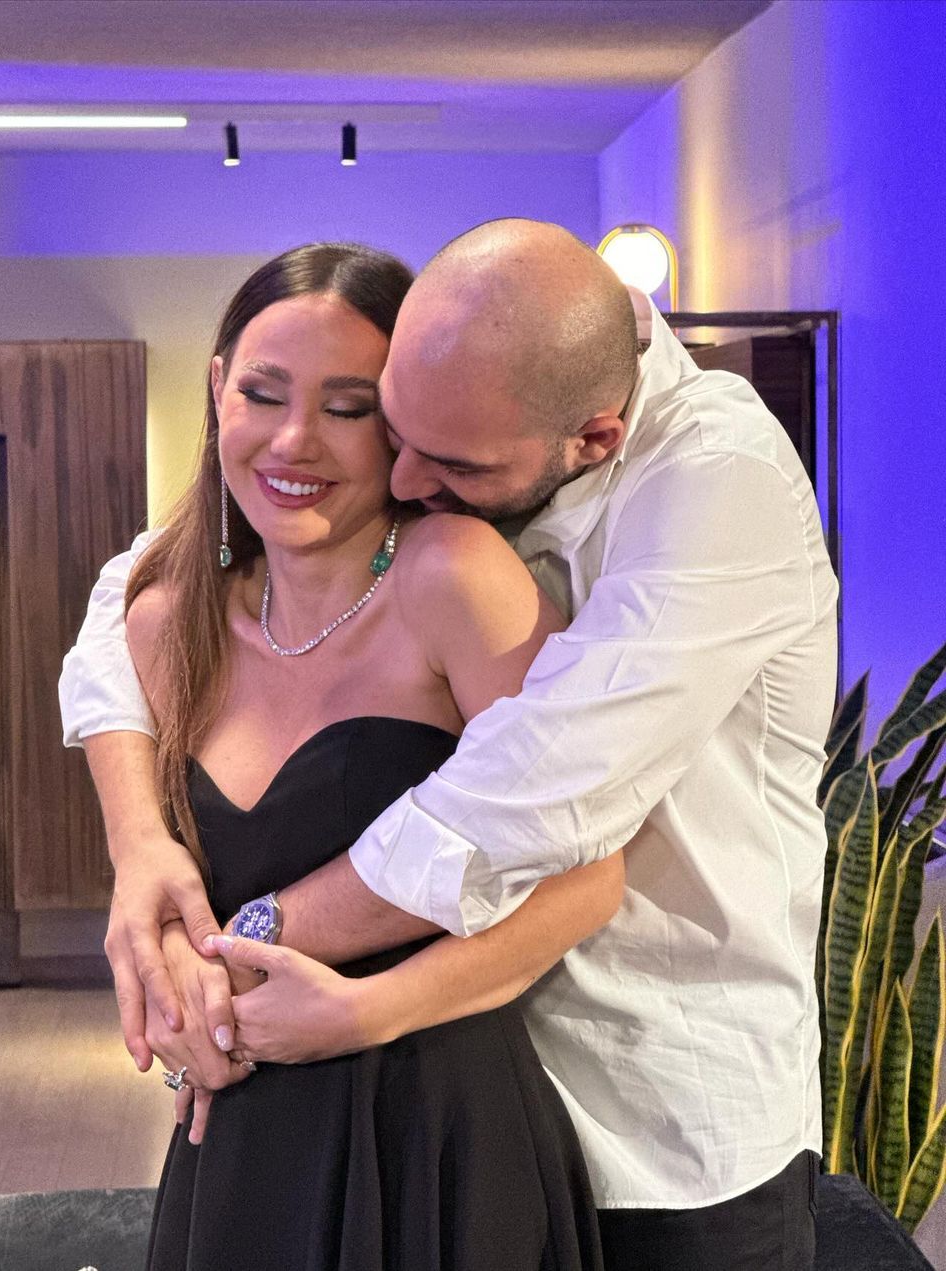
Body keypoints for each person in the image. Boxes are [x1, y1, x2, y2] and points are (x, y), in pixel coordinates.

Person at [60, 219, 838, 1270]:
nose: (410, 476)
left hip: (661, 1101)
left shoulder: (713, 488)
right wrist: (139, 850)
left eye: (357, 413)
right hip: (363, 1085)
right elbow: (130, 596)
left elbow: (530, 802)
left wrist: (220, 957)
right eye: (398, 423)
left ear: (591, 439)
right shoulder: (494, 367)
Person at [109, 239, 616, 1269]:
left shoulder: (453, 577)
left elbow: (589, 875)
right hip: (242, 1133)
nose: (296, 440)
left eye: (349, 407)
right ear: (218, 390)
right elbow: (168, 888)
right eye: (262, 394)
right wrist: (177, 981)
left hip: (438, 1124)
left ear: (404, 422)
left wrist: (363, 1013)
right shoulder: (165, 623)